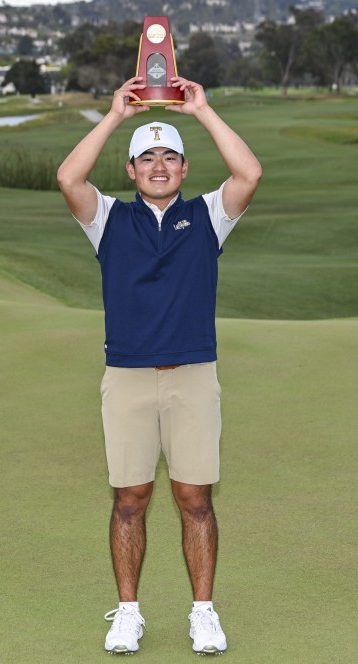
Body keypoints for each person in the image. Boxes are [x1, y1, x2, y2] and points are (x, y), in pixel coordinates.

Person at [57, 74, 262, 655]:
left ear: (184, 167)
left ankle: (203, 612)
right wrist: (114, 117)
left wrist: (203, 110)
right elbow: (68, 177)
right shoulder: (106, 221)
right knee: (130, 499)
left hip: (193, 375)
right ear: (130, 170)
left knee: (195, 499)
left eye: (170, 156)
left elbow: (249, 174)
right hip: (126, 375)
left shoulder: (208, 217)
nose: (159, 166)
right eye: (146, 158)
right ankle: (128, 613)